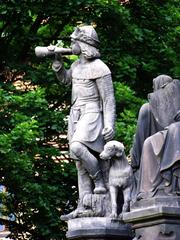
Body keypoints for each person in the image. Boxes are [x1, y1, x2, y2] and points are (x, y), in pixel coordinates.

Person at [52, 26, 116, 216]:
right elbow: (64, 80)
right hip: (75, 114)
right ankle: (84, 206)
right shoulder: (75, 66)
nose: (71, 45)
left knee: (77, 147)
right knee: (80, 163)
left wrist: (109, 123)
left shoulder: (100, 68)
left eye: (74, 42)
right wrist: (58, 63)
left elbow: (108, 99)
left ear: (84, 44)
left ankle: (99, 181)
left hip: (92, 112)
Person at [131, 75, 180, 199]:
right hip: (166, 138)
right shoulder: (149, 108)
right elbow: (140, 140)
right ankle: (149, 190)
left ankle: (155, 187)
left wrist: (135, 162)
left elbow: (139, 142)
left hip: (174, 135)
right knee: (148, 143)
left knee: (150, 142)